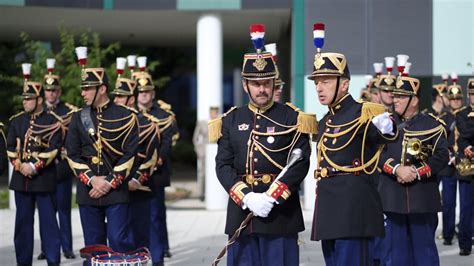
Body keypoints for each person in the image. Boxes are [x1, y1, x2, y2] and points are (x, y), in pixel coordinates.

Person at [212, 24, 315, 266]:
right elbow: (223, 165)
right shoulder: (231, 120)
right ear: (245, 85)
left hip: (280, 214)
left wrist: (272, 196)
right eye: (256, 84)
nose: (262, 89)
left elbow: (300, 161)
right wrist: (247, 197)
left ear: (274, 84)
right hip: (242, 213)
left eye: (267, 83)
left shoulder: (291, 117)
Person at [308, 23, 397, 265]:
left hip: (353, 209)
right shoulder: (326, 120)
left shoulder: (364, 112)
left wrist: (388, 126)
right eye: (316, 81)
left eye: (326, 80)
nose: (318, 87)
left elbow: (387, 137)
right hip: (328, 207)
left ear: (344, 84)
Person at [65, 47, 138, 258]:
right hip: (88, 191)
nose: (83, 93)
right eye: (83, 88)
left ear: (102, 89)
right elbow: (72, 154)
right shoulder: (78, 117)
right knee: (93, 247)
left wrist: (108, 182)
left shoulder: (126, 116)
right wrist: (92, 180)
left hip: (115, 190)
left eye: (88, 88)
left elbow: (130, 153)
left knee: (118, 241)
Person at [376, 64, 449, 265]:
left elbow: (442, 155)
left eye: (401, 96)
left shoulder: (432, 125)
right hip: (391, 198)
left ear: (414, 100)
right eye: (395, 95)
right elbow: (375, 153)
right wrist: (397, 169)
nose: (395, 99)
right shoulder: (384, 123)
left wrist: (416, 171)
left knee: (425, 254)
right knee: (395, 256)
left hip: (422, 198)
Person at [7, 63, 62, 266]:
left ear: (39, 100)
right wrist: (20, 165)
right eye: (24, 99)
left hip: (43, 180)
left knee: (48, 225)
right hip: (21, 180)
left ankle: (53, 261)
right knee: (22, 225)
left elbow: (54, 148)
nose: (25, 102)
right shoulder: (17, 121)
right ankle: (23, 262)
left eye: (29, 99)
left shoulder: (52, 121)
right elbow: (11, 146)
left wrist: (35, 166)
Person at [112, 69, 161, 262]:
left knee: (140, 238)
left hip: (138, 188)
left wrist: (136, 179)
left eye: (121, 97)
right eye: (115, 96)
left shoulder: (147, 124)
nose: (116, 100)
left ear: (131, 99)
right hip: (115, 188)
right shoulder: (109, 122)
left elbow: (151, 157)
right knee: (118, 238)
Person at [133, 56, 179, 263]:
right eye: (140, 92)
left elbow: (167, 142)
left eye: (147, 92)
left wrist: (156, 160)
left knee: (155, 217)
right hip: (132, 174)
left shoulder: (163, 116)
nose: (144, 95)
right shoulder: (129, 114)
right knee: (134, 218)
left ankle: (157, 257)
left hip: (155, 174)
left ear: (153, 93)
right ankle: (138, 254)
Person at [37, 58, 77, 261]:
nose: (51, 93)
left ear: (59, 92)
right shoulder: (38, 112)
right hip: (43, 168)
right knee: (46, 213)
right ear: (44, 92)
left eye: (54, 90)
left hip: (61, 168)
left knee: (63, 210)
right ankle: (46, 247)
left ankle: (67, 247)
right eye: (48, 90)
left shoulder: (68, 112)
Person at [452, 76, 474, 256]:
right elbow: (465, 131)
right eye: (472, 95)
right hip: (467, 166)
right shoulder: (461, 114)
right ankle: (465, 244)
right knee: (465, 207)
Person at [192, 106, 219, 200]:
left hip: (218, 150)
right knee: (203, 173)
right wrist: (199, 151)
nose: (214, 114)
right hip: (205, 151)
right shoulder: (203, 123)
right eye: (213, 113)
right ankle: (202, 193)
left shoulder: (221, 122)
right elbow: (195, 138)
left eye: (216, 113)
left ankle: (218, 194)